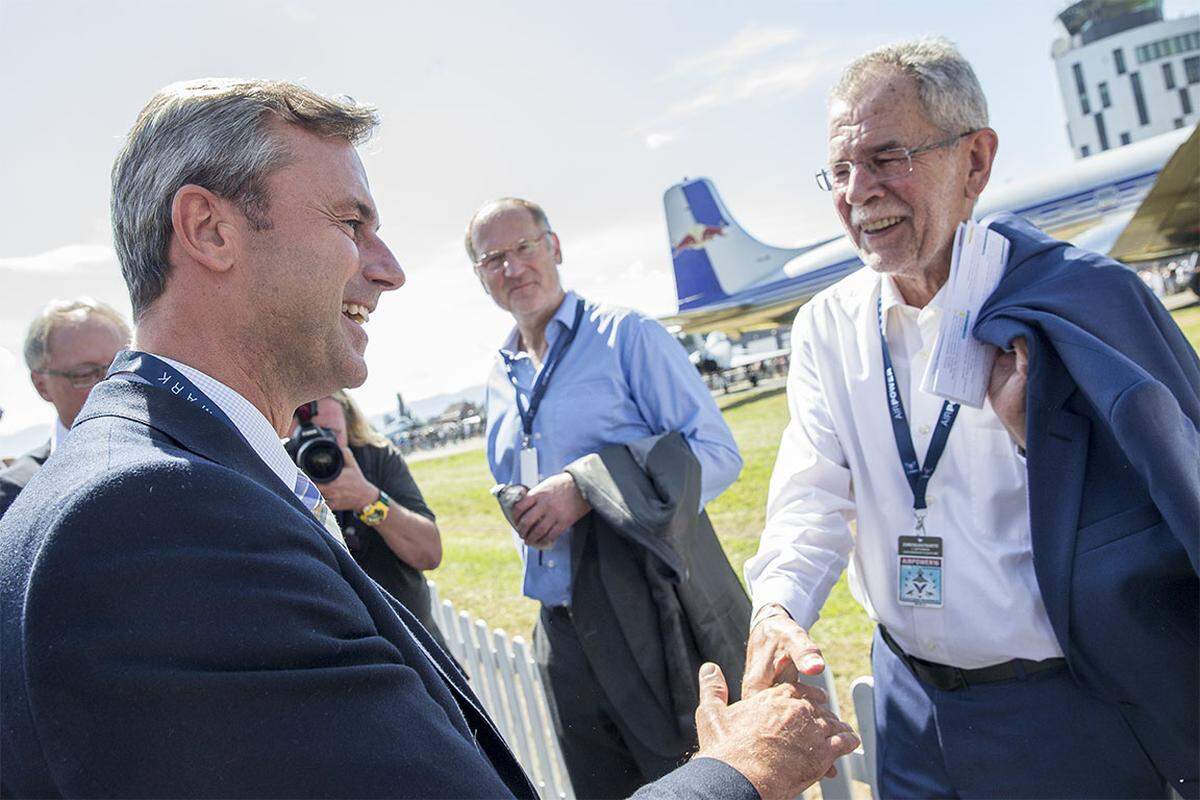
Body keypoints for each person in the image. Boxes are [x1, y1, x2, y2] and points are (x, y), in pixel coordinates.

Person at [0, 77, 858, 799]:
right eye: (349, 222)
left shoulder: (161, 483)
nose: (390, 268)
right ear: (211, 230)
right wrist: (742, 769)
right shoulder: (156, 520)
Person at [743, 37, 1198, 799]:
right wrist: (779, 606)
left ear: (976, 161)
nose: (861, 191)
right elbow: (811, 494)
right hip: (909, 708)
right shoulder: (826, 326)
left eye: (888, 158)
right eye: (844, 169)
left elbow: (1164, 487)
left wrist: (1037, 439)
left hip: (1065, 712)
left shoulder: (1080, 304)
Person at [469, 197, 751, 798]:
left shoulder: (627, 334)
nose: (513, 268)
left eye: (525, 247)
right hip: (559, 625)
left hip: (644, 612)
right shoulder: (499, 374)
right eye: (493, 259)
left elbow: (719, 456)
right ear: (479, 277)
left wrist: (589, 488)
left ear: (556, 247)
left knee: (683, 782)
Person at [297, 390, 448, 649]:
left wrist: (368, 499)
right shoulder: (279, 473)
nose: (319, 447)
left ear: (349, 426)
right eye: (304, 436)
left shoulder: (377, 458)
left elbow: (429, 553)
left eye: (330, 434)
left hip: (413, 643)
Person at [0, 297, 130, 516]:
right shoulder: (15, 494)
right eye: (85, 374)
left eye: (121, 366)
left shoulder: (183, 457)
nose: (110, 383)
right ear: (42, 385)